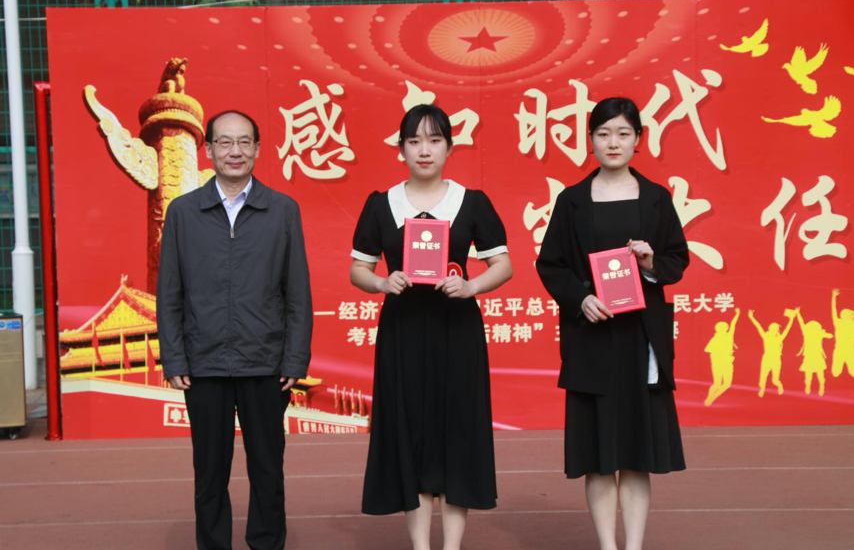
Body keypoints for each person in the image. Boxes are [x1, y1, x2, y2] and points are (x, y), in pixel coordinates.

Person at [349, 104, 512, 550]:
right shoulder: (381, 204)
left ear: (449, 148)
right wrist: (382, 282)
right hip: (402, 333)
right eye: (415, 141)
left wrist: (471, 285)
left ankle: (451, 546)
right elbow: (359, 270)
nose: (424, 150)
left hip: (456, 332)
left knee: (457, 433)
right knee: (410, 436)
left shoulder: (471, 202)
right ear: (401, 149)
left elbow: (503, 264)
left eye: (434, 140)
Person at [535, 97, 689, 550]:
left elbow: (677, 259)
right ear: (591, 140)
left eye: (623, 133)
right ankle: (607, 544)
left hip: (641, 339)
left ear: (638, 138)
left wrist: (649, 262)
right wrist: (581, 298)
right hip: (592, 339)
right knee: (599, 456)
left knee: (638, 454)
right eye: (603, 134)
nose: (613, 142)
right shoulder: (572, 201)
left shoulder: (656, 198)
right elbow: (550, 264)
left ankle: (633, 545)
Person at [157, 110, 312, 550]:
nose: (235, 151)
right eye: (224, 142)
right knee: (209, 473)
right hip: (203, 363)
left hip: (265, 362)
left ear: (258, 149)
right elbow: (169, 293)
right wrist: (174, 358)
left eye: (244, 142)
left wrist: (294, 358)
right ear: (208, 150)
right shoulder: (183, 212)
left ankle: (266, 543)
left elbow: (297, 292)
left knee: (268, 470)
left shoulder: (282, 210)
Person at [747, 308, 796, 397]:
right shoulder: (765, 336)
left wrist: (791, 319)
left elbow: (787, 329)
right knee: (762, 379)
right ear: (769, 329)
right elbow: (758, 326)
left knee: (775, 380)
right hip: (766, 359)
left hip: (776, 360)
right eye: (771, 328)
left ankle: (780, 386)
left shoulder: (780, 338)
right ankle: (762, 389)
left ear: (777, 330)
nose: (772, 329)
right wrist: (751, 317)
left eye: (774, 328)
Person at [703, 308, 741, 406]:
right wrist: (737, 314)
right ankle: (710, 398)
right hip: (721, 363)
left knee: (725, 384)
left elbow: (733, 324)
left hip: (725, 363)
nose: (726, 328)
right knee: (719, 384)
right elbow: (708, 350)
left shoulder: (723, 337)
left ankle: (710, 398)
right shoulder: (720, 338)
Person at [795, 309, 832, 395]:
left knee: (819, 374)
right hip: (809, 356)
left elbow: (830, 336)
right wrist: (798, 313)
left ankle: (821, 387)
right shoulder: (807, 332)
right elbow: (801, 322)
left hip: (817, 356)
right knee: (810, 375)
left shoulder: (818, 333)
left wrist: (824, 333)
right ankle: (808, 387)